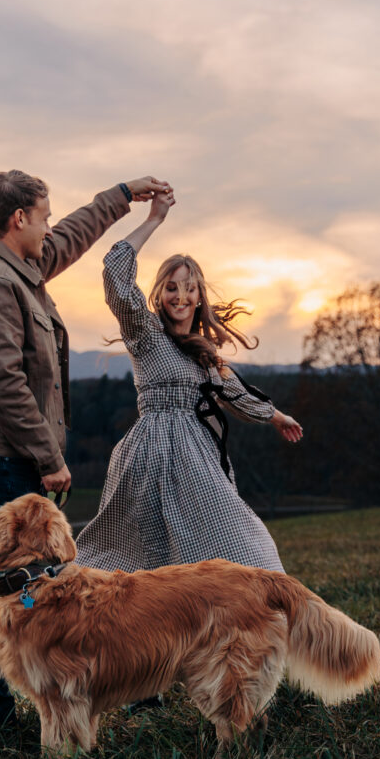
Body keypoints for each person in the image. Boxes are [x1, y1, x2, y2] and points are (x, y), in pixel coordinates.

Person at [0, 169, 172, 759]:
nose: (50, 225)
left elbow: (70, 237)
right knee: (0, 598)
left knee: (4, 597)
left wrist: (122, 198)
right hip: (4, 462)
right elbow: (2, 381)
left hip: (8, 457)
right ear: (18, 218)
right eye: (43, 215)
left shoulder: (20, 268)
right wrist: (49, 460)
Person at [74, 190, 303, 578]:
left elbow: (233, 392)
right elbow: (114, 271)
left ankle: (262, 605)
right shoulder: (145, 333)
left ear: (199, 297)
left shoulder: (204, 352)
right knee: (141, 562)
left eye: (189, 288)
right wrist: (154, 219)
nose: (180, 296)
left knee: (245, 544)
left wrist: (277, 416)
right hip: (151, 457)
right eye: (172, 288)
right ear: (160, 294)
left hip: (198, 458)